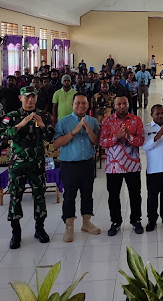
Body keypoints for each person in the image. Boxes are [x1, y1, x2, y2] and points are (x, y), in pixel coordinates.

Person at [0, 86, 55, 249]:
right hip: (18, 163)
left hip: (37, 162)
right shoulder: (12, 116)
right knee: (15, 196)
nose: (30, 100)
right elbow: (2, 136)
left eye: (32, 96)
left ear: (36, 98)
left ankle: (40, 229)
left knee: (39, 196)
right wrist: (20, 125)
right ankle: (16, 233)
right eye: (26, 97)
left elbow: (51, 137)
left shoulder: (44, 115)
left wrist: (42, 125)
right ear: (20, 98)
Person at [53, 93, 101, 242]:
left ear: (88, 105)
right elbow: (57, 143)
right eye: (78, 103)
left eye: (84, 103)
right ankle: (69, 226)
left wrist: (88, 130)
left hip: (87, 163)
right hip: (69, 165)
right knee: (69, 196)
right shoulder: (63, 122)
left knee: (87, 193)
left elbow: (97, 142)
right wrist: (74, 131)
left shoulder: (92, 121)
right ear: (72, 105)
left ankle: (86, 222)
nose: (81, 106)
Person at [99, 96, 145, 235]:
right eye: (118, 104)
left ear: (128, 104)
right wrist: (116, 137)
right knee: (113, 195)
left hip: (132, 165)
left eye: (124, 103)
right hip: (113, 166)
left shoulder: (136, 120)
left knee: (135, 194)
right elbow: (102, 142)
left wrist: (129, 136)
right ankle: (115, 222)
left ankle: (136, 220)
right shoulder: (107, 121)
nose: (122, 106)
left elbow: (141, 141)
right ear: (114, 106)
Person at [142, 105, 163, 231]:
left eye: (162, 113)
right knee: (152, 197)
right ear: (152, 114)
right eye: (157, 114)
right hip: (153, 169)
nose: (161, 116)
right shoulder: (146, 128)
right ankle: (152, 220)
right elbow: (145, 146)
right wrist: (157, 137)